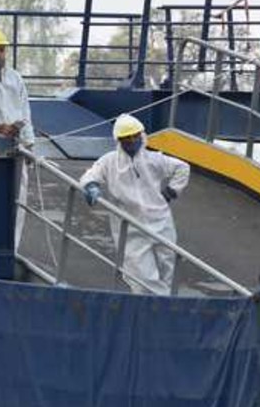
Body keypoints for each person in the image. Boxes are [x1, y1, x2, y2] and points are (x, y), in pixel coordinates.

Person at [79, 114, 189, 295]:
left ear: (141, 135)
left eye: (134, 136)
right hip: (130, 226)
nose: (131, 141)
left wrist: (171, 191)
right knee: (140, 275)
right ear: (119, 140)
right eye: (126, 138)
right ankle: (156, 306)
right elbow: (92, 174)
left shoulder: (154, 159)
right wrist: (91, 186)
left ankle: (164, 304)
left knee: (168, 266)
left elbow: (182, 168)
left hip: (161, 220)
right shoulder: (110, 161)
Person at [0, 27, 34, 245]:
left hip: (17, 143)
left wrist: (30, 143)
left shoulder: (15, 78)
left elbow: (25, 110)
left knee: (18, 200)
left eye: (1, 50)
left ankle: (12, 248)